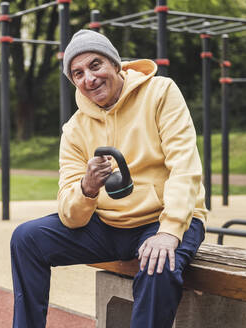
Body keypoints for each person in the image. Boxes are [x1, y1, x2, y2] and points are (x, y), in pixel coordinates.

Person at [10, 29, 208, 328]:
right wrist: (86, 188)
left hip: (164, 218)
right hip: (109, 225)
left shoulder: (160, 92)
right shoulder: (75, 128)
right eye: (77, 73)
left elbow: (185, 165)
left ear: (116, 64)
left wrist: (169, 231)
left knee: (159, 265)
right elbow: (71, 216)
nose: (88, 78)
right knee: (26, 239)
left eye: (95, 65)